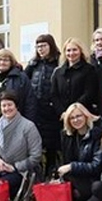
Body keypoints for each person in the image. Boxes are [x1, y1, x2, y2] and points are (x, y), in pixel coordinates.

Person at [0, 90, 42, 199]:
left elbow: (36, 156)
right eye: (4, 106)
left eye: (10, 105)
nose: (7, 109)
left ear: (16, 106)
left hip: (20, 171)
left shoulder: (28, 126)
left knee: (3, 185)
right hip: (0, 166)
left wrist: (14, 167)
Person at [56, 102, 102, 201]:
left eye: (79, 116)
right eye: (72, 118)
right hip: (75, 178)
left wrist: (72, 166)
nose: (76, 120)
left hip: (92, 179)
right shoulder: (68, 137)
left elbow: (96, 166)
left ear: (86, 115)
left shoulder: (96, 135)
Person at [50, 37, 99, 147]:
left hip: (83, 117)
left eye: (74, 50)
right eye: (68, 50)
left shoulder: (89, 70)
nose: (71, 53)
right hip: (63, 118)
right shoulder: (58, 72)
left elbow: (89, 92)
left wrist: (75, 111)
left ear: (80, 51)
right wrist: (63, 112)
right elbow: (54, 95)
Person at [0, 49, 35, 135]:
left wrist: (27, 126)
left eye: (6, 60)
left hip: (15, 126)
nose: (2, 62)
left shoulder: (21, 78)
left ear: (11, 62)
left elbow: (30, 102)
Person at [25, 34, 61, 162]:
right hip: (36, 108)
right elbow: (25, 80)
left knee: (52, 142)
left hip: (52, 109)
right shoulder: (33, 64)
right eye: (38, 46)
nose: (41, 49)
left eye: (44, 46)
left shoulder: (58, 62)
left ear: (50, 46)